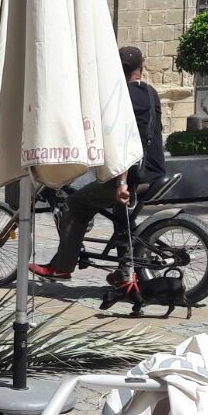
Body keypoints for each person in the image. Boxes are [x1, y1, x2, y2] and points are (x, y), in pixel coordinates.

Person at [29, 45, 167, 280]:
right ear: (142, 67)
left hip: (132, 175)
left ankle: (62, 266)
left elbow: (122, 141)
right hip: (155, 170)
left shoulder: (120, 98)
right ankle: (124, 272)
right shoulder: (151, 92)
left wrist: (121, 181)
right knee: (120, 214)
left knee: (76, 203)